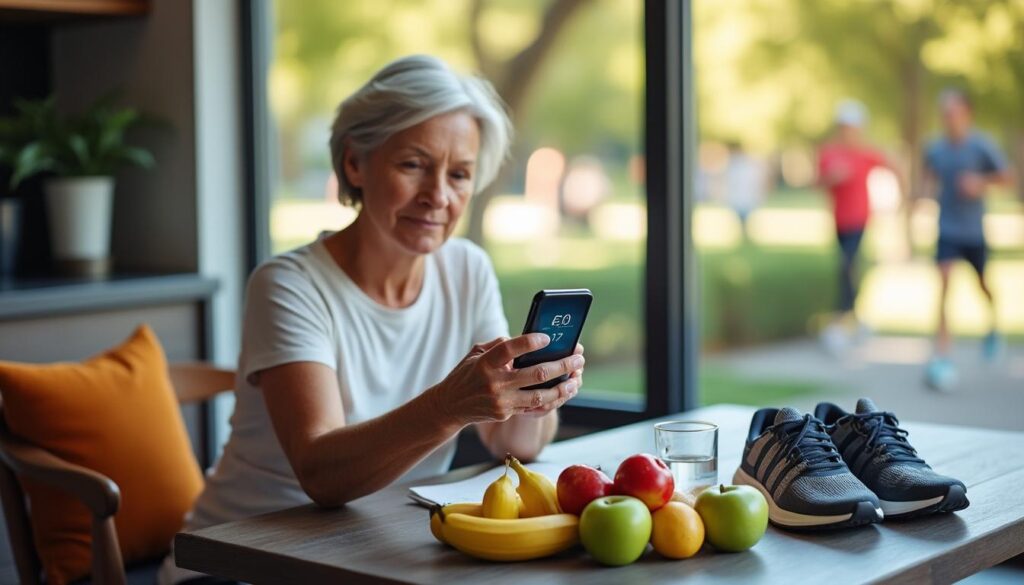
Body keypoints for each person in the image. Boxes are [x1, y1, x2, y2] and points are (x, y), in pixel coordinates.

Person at [159, 55, 584, 584]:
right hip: (237, 560)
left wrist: (538, 386)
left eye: (459, 175)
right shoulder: (289, 285)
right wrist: (451, 406)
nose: (438, 196)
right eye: (413, 165)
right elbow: (321, 476)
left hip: (378, 548)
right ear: (355, 163)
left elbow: (517, 445)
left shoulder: (466, 269)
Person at [923, 89, 1012, 391]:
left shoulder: (981, 145)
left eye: (953, 113)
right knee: (944, 285)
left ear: (966, 113)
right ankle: (943, 356)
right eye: (944, 114)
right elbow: (928, 176)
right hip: (947, 229)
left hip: (973, 231)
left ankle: (993, 324)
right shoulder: (935, 148)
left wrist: (980, 183)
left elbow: (1008, 176)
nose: (948, 119)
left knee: (982, 285)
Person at [816, 100, 893, 355]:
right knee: (848, 268)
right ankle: (856, 320)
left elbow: (892, 166)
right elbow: (818, 182)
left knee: (847, 266)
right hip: (839, 221)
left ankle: (840, 322)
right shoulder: (830, 153)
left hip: (859, 219)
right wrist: (833, 177)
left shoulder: (865, 153)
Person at [723, 141, 765, 239]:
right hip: (739, 197)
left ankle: (746, 235)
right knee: (741, 219)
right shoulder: (734, 165)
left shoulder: (744, 165)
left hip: (744, 197)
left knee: (745, 219)